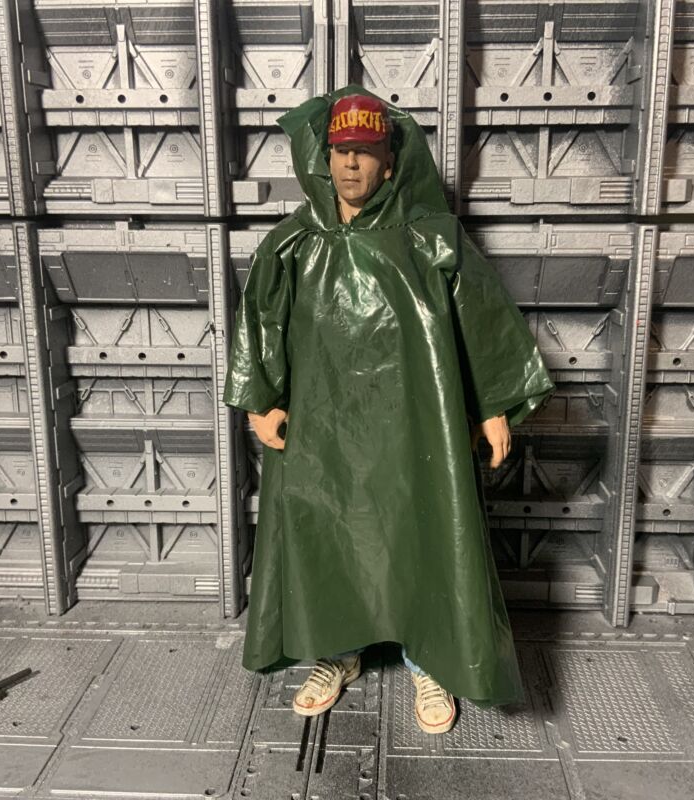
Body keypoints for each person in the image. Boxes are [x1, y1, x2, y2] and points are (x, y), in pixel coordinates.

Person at [223, 86, 554, 734]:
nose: (352, 163)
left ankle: (428, 655)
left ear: (390, 162)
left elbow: (479, 319)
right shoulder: (291, 245)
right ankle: (337, 650)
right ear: (325, 158)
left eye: (366, 151)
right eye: (342, 150)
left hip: (415, 424)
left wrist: (492, 404)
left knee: (419, 530)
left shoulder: (432, 240)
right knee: (329, 534)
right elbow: (261, 322)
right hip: (323, 430)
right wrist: (261, 401)